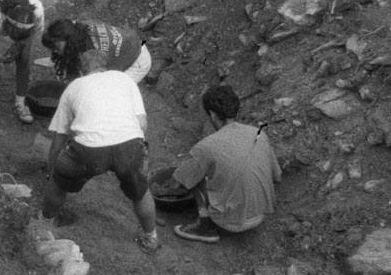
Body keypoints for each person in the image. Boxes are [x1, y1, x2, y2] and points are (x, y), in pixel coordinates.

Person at [30, 48, 160, 254]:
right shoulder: (124, 79)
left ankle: (44, 223)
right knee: (141, 193)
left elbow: (59, 138)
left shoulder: (74, 87)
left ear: (81, 72)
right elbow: (142, 123)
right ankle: (150, 238)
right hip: (129, 143)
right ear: (105, 67)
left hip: (89, 148)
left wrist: (52, 171)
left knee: (57, 184)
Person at [170, 85, 282, 244]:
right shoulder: (259, 135)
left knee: (194, 175)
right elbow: (277, 177)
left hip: (231, 223)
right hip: (261, 214)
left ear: (213, 115)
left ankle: (205, 225)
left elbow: (179, 183)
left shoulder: (206, 146)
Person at [41, 18, 151, 83]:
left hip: (137, 61)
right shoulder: (76, 27)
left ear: (70, 42)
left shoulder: (93, 54)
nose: (54, 51)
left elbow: (95, 84)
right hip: (128, 43)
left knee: (109, 92)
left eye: (57, 47)